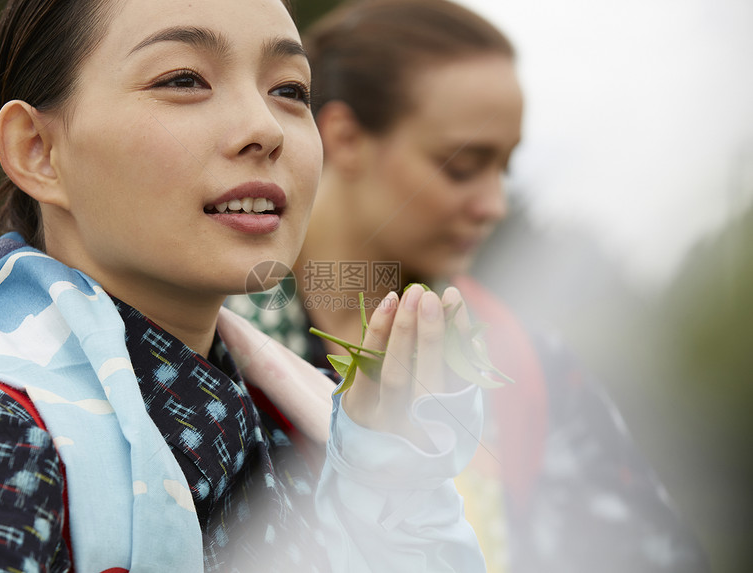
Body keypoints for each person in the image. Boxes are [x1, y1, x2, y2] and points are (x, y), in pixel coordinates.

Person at [0, 0, 489, 571]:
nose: (264, 127)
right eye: (183, 79)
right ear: (39, 151)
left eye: (289, 90)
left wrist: (392, 479)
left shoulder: (314, 438)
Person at [226, 0, 711, 572]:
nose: (493, 206)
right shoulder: (200, 341)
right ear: (345, 136)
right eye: (461, 166)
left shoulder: (523, 363)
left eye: (504, 167)